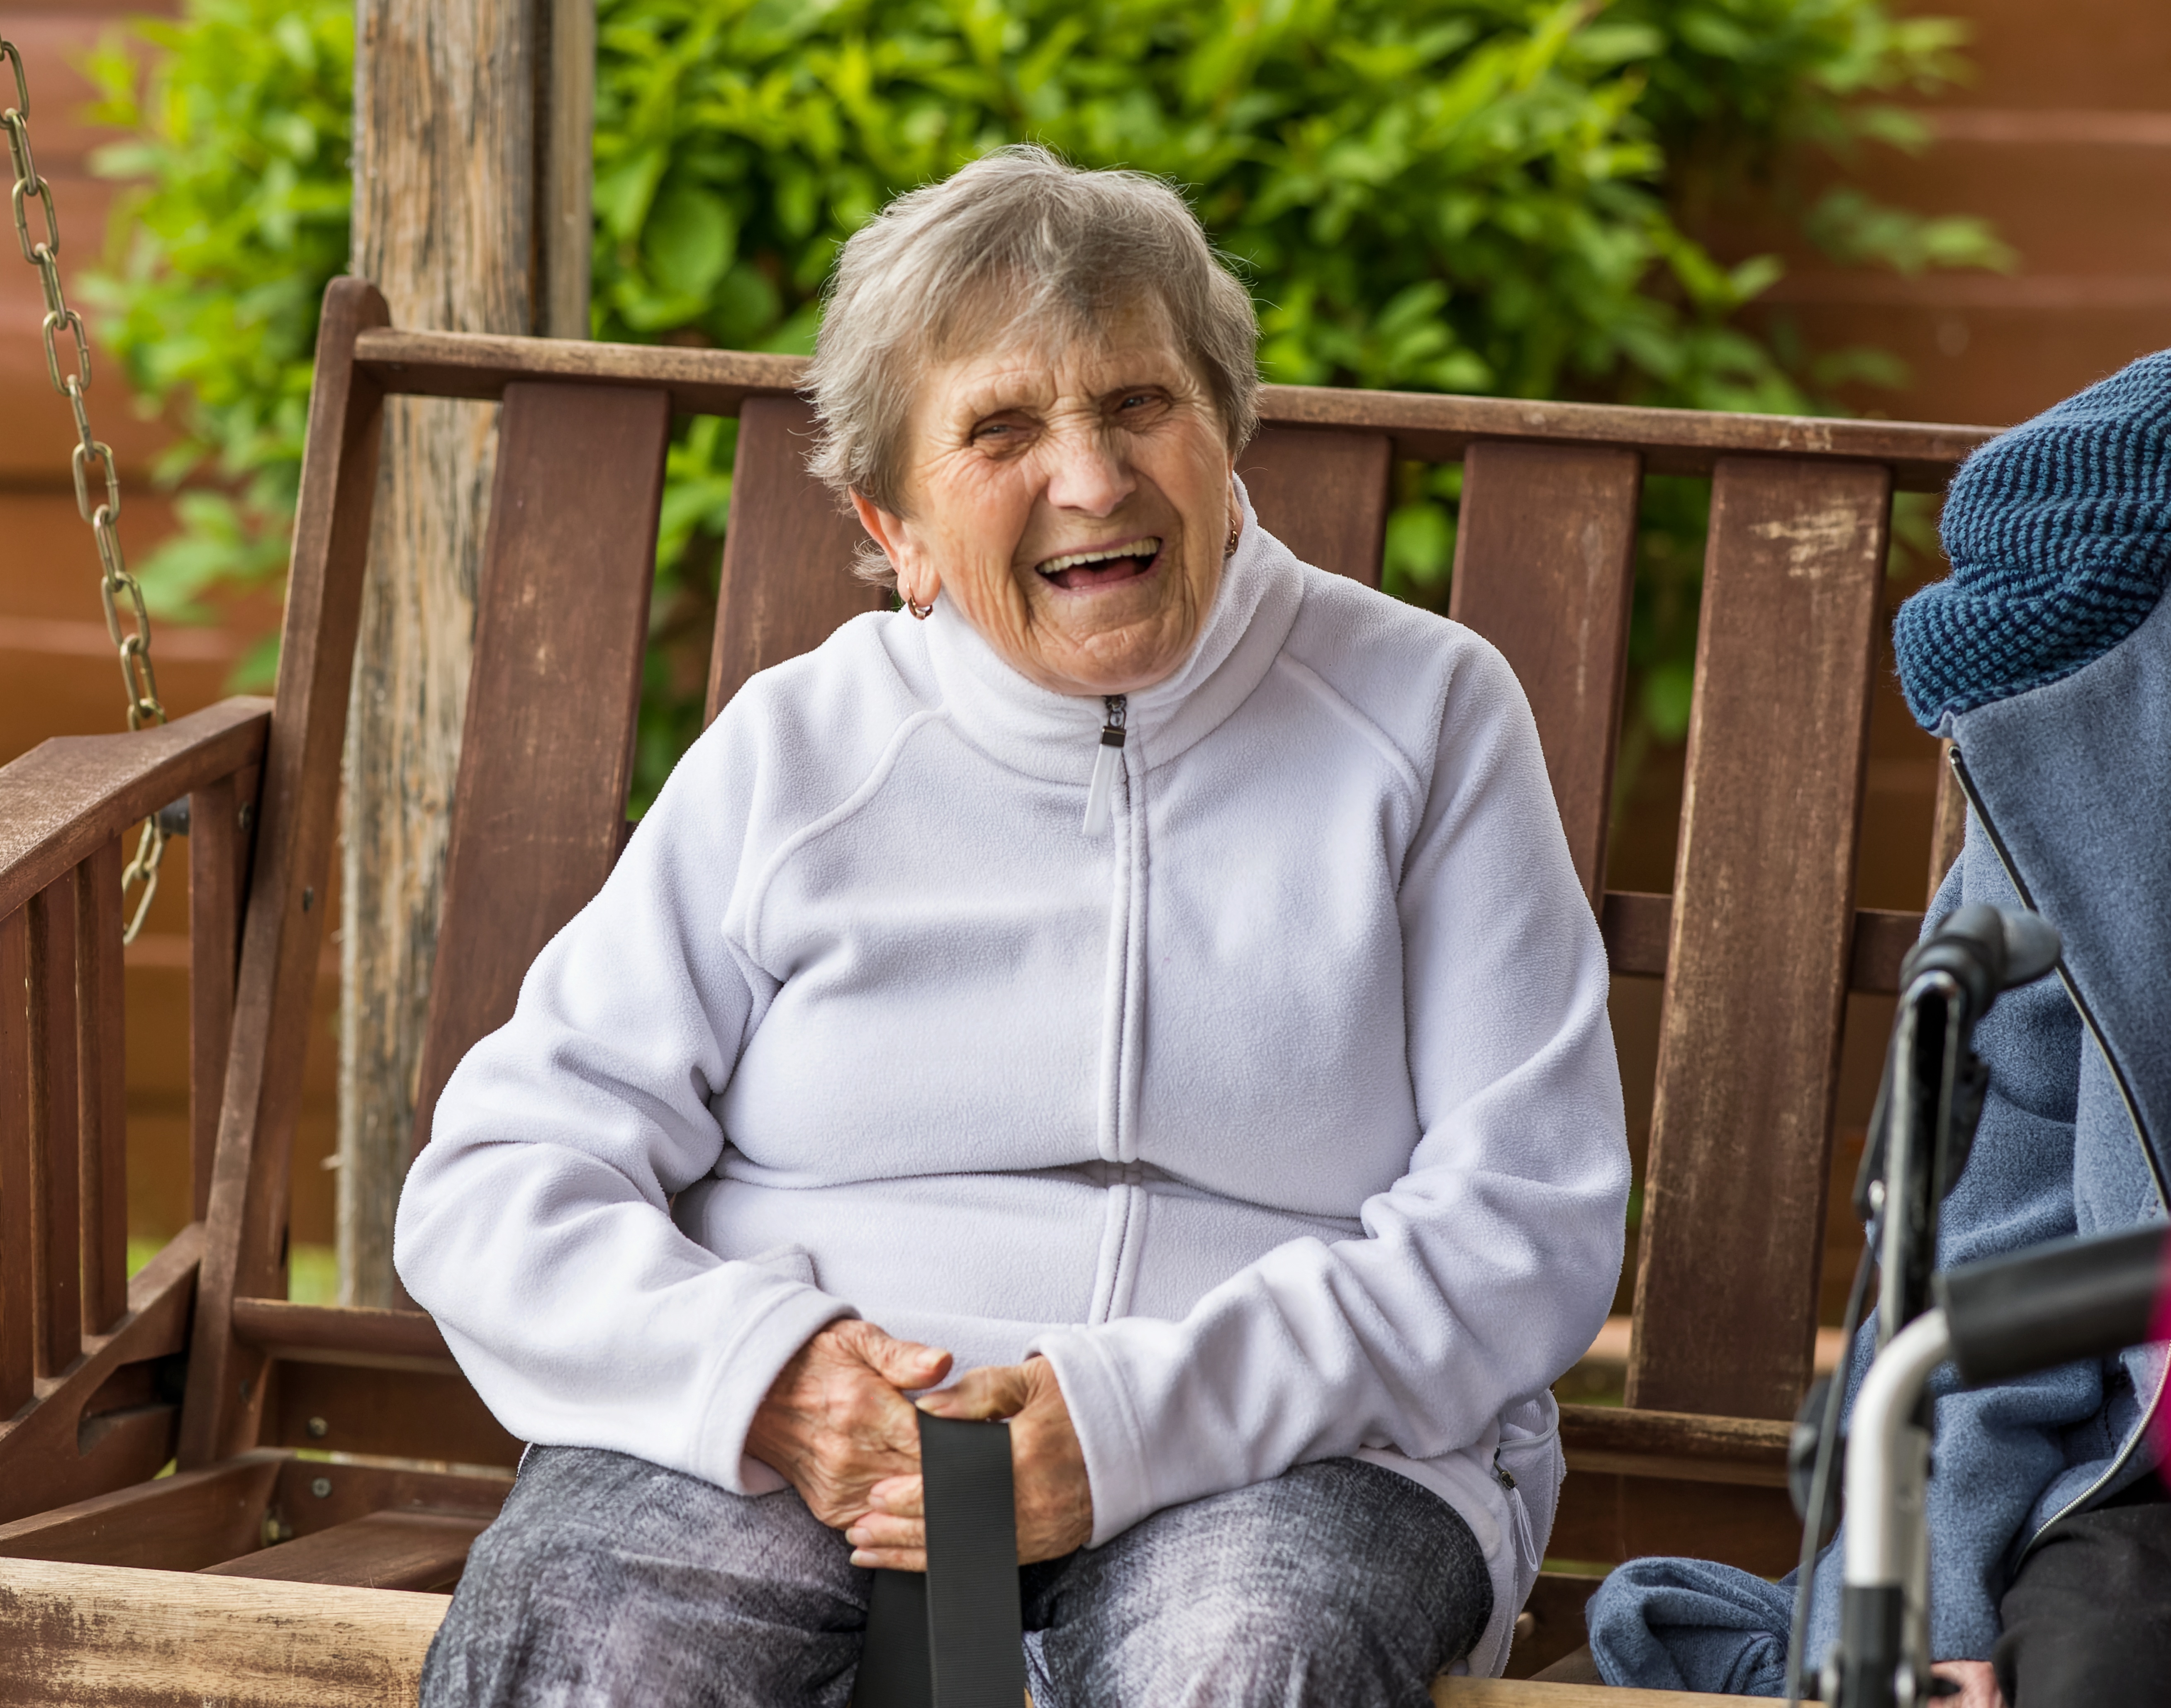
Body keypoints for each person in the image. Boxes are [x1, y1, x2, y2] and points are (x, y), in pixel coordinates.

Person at [395, 144, 1629, 1708]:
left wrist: (1125, 1428)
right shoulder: (799, 752)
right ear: (895, 526)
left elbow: (1523, 1217)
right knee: (592, 1646)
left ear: (1228, 433)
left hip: (1289, 1452)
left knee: (1248, 1664)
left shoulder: (1425, 714)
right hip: (814, 1436)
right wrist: (769, 1378)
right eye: (1000, 431)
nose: (1092, 482)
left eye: (1139, 405)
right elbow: (503, 1176)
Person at [1586, 350, 2171, 1708]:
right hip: (2139, 1501)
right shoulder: (2064, 851)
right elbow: (1995, 1243)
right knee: (2086, 1671)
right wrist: (1931, 1604)